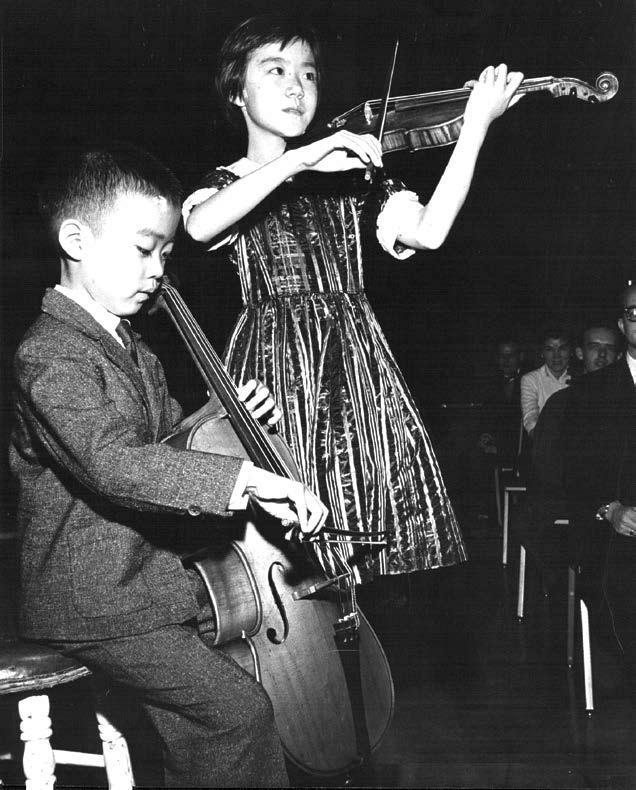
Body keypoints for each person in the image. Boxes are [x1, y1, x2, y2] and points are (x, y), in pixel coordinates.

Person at [9, 143, 328, 787]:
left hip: (148, 587)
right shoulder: (49, 354)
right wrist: (244, 479)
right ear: (75, 238)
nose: (158, 270)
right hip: (94, 603)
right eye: (143, 248)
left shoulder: (130, 345)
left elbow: (167, 445)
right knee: (238, 712)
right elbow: (112, 463)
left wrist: (222, 410)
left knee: (212, 720)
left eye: (166, 255)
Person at [182, 14, 524, 584]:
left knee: (370, 540)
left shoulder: (352, 176)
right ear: (237, 92)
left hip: (358, 367)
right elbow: (197, 227)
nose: (297, 86)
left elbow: (430, 231)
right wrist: (298, 160)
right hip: (274, 369)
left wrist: (475, 127)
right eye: (276, 70)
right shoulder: (230, 182)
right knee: (278, 549)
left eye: (309, 74)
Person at [563, 285, 636, 700]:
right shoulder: (592, 393)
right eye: (634, 311)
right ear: (622, 321)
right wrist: (609, 509)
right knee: (620, 584)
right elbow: (577, 472)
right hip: (615, 527)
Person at [513, 324, 620, 588]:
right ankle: (564, 581)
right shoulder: (561, 402)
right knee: (529, 520)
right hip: (572, 493)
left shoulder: (627, 400)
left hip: (621, 496)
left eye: (609, 349)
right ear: (581, 354)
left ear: (619, 356)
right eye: (595, 347)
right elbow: (546, 461)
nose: (602, 355)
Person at [520, 328, 572, 437]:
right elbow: (530, 416)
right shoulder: (531, 379)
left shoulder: (581, 376)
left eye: (562, 348)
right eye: (550, 349)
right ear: (542, 353)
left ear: (571, 351)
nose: (556, 355)